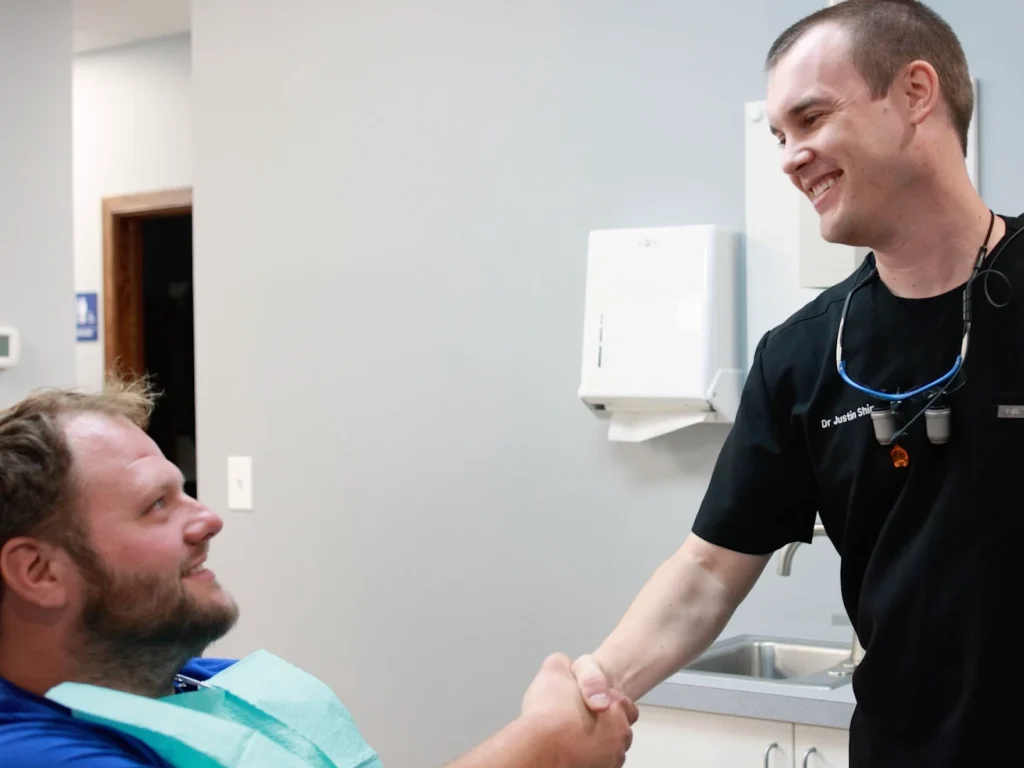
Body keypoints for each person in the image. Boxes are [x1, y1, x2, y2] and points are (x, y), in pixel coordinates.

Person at [568, 1, 1024, 766]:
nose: (788, 156)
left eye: (810, 118)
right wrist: (596, 684)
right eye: (779, 135)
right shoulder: (802, 356)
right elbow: (709, 571)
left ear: (915, 94)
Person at [0, 379, 638, 767]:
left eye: (184, 491)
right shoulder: (26, 752)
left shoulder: (206, 687)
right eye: (156, 505)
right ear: (37, 571)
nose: (208, 519)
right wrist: (541, 751)